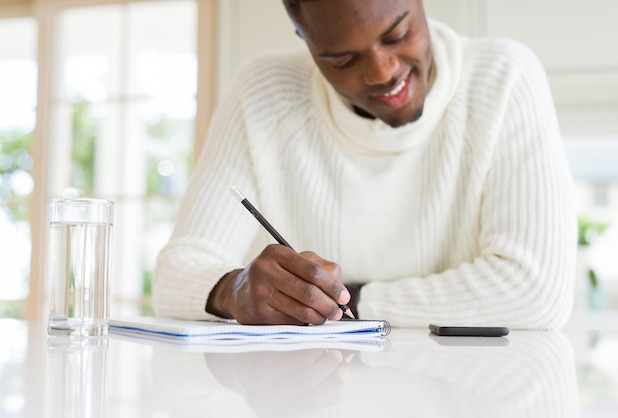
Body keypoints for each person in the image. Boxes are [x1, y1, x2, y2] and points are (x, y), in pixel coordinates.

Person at [152, 0, 576, 329]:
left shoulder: (504, 76)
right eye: (343, 59)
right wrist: (234, 290)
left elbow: (537, 292)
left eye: (397, 34)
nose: (382, 73)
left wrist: (344, 303)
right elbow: (175, 276)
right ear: (305, 41)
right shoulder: (265, 92)